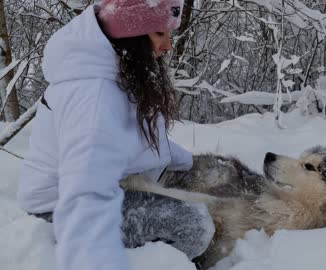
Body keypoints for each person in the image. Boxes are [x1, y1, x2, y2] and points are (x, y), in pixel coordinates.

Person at [16, 0, 214, 269]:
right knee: (194, 224)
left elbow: (135, 140)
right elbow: (84, 185)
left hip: (93, 190)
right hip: (60, 210)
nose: (167, 45)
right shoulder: (93, 94)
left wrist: (190, 164)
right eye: (159, 33)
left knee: (190, 194)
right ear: (131, 34)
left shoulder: (113, 71)